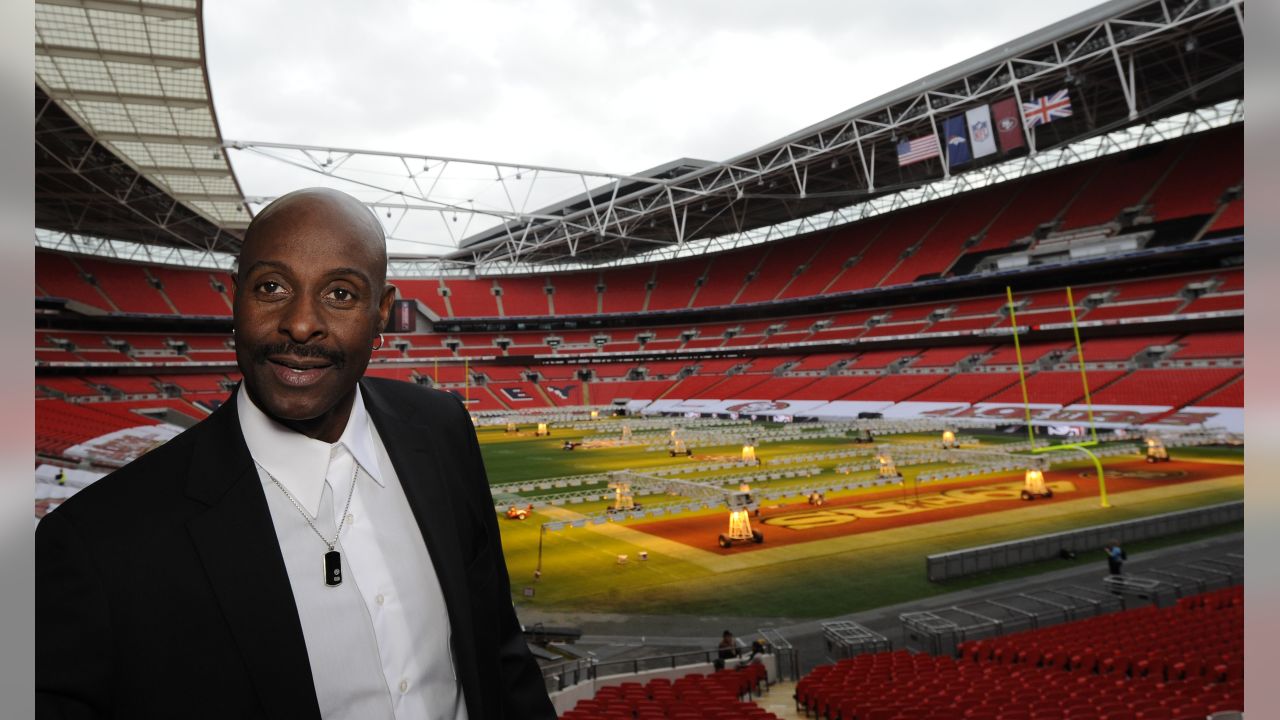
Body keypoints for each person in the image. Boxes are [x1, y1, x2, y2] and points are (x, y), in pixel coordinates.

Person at [36, 188, 556, 719]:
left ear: (382, 311)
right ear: (236, 297)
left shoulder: (443, 430)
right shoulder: (97, 543)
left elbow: (499, 650)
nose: (302, 324)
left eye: (340, 294)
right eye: (273, 286)